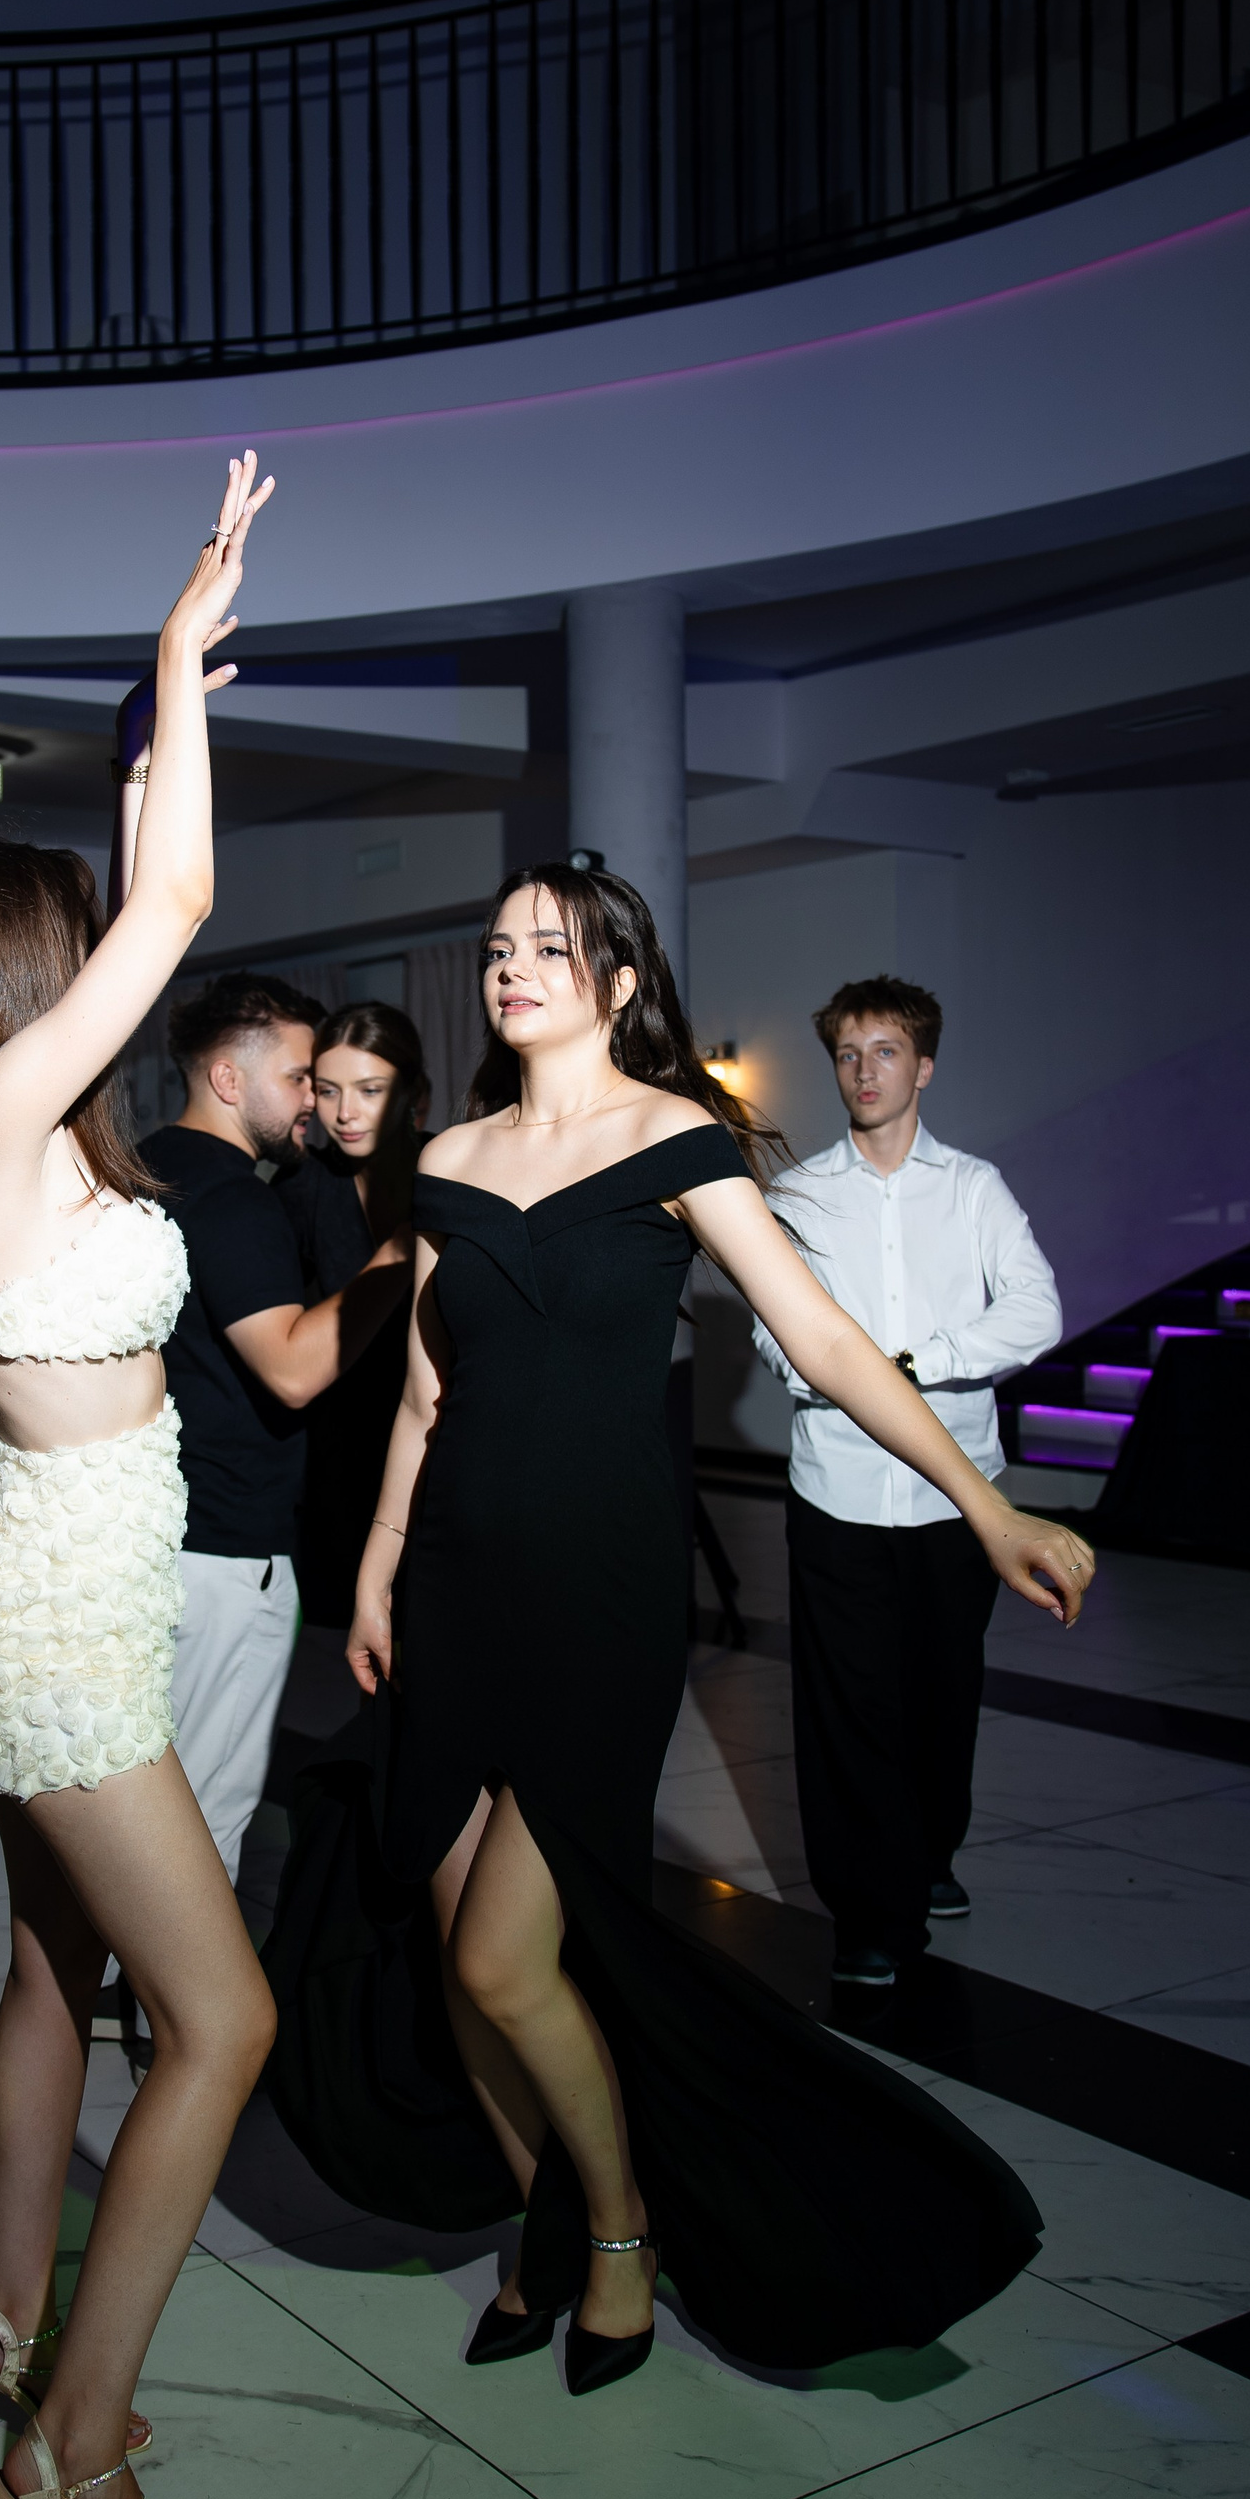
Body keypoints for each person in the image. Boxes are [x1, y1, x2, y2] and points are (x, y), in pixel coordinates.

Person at [265, 864, 1095, 2396]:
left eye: (551, 947)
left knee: (508, 1960)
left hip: (600, 1595)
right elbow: (430, 1389)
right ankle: (541, 2222)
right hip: (453, 1583)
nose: (514, 968)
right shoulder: (449, 1155)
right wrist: (378, 1562)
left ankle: (621, 2227)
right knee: (454, 1952)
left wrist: (987, 1506)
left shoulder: (675, 1141)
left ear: (621, 980)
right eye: (500, 948)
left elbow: (824, 1337)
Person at [0, 451, 277, 2499]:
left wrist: (151, 712)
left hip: (44, 1569)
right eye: (66, 947)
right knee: (225, 2024)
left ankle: (4, 2327)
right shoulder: (0, 1129)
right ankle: (72, 2453)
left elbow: (142, 873)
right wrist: (169, 658)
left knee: (53, 1971)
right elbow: (176, 906)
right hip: (66, 1608)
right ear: (14, 981)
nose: (91, 961)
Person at [751, 978, 1063, 1987]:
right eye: (848, 1054)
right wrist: (842, 1372)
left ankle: (927, 1856)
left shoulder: (974, 1188)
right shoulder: (798, 1196)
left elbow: (1036, 1310)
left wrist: (914, 1364)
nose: (864, 1071)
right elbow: (777, 1337)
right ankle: (869, 1915)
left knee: (941, 1692)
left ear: (923, 1066)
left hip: (954, 1496)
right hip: (835, 1490)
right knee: (848, 1708)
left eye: (885, 1051)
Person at [139, 974, 411, 1884]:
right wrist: (398, 1254)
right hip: (226, 1545)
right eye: (299, 1078)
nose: (314, 1105)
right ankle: (184, 1978)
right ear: (228, 1078)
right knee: (204, 1818)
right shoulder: (234, 1199)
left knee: (150, 1798)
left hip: (160, 1525)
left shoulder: (140, 1167)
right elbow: (292, 1370)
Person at [277, 1001, 428, 1625]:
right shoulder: (301, 1187)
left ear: (416, 1095)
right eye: (328, 1090)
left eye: (369, 1090)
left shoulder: (455, 1170)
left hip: (440, 1444)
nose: (344, 1113)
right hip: (339, 1449)